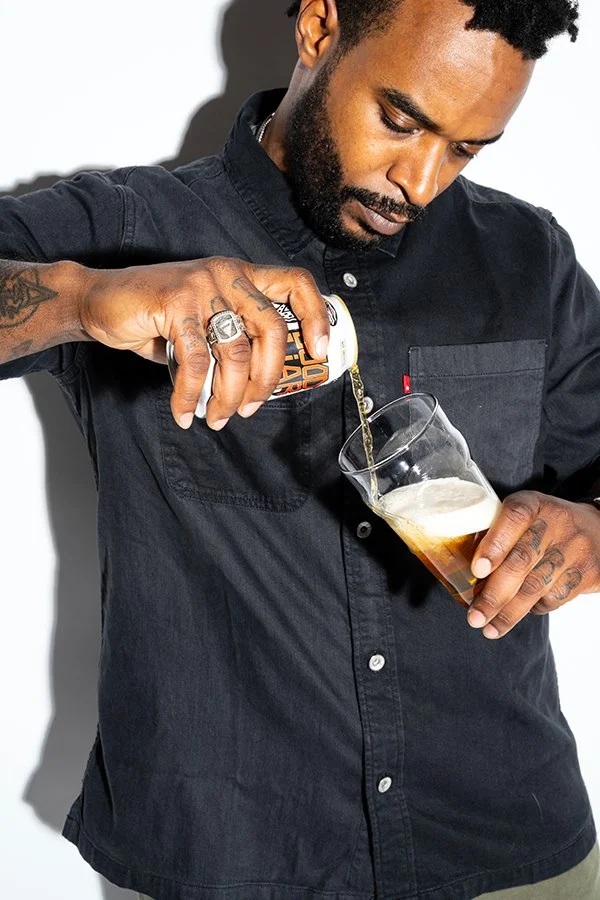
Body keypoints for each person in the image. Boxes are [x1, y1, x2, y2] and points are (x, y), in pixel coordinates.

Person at [1, 0, 599, 897]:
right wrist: (87, 299)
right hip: (229, 859)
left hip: (507, 846)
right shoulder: (132, 225)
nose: (422, 181)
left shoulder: (527, 256)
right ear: (319, 28)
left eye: (468, 148)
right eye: (401, 120)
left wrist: (592, 526)